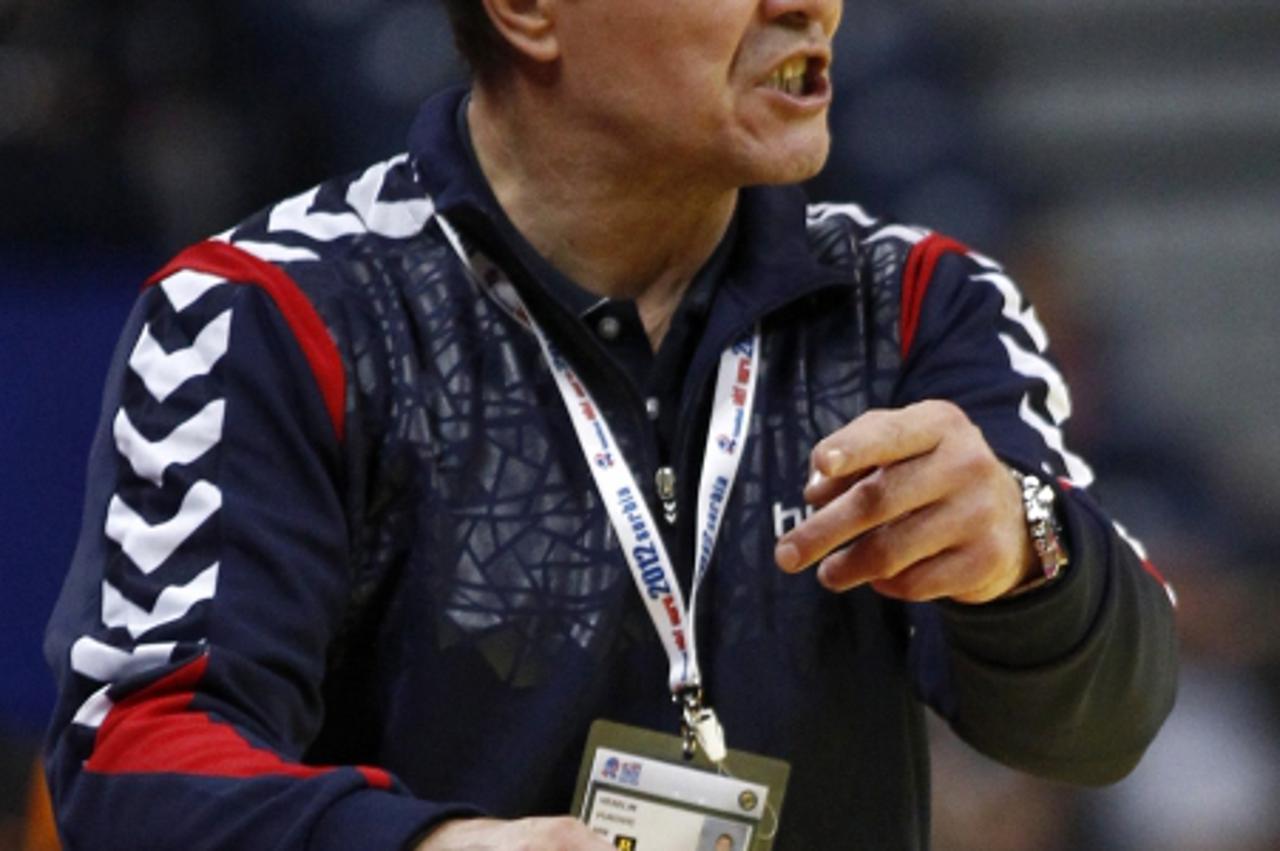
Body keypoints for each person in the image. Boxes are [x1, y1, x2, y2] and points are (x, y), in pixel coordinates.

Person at [43, 0, 1178, 848]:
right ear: (527, 11)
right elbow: (131, 767)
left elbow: (1101, 729)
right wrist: (429, 846)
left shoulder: (922, 302)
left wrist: (1028, 554)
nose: (810, 6)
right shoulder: (275, 312)